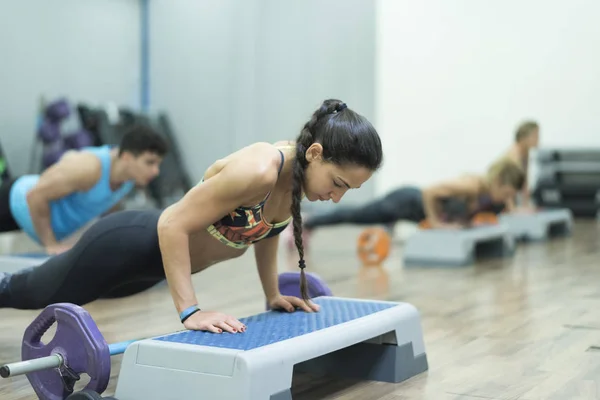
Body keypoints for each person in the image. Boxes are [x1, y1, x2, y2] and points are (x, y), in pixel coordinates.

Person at [0, 99, 384, 334]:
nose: (336, 198)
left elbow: (267, 232)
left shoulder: (296, 181)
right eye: (338, 183)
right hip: (124, 245)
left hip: (151, 268)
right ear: (315, 153)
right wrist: (191, 311)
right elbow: (171, 222)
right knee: (25, 292)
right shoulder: (260, 169)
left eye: (347, 190)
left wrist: (272, 294)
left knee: (56, 293)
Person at [0, 125, 168, 254]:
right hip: (14, 201)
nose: (156, 171)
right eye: (150, 162)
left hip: (31, 218)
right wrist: (51, 244)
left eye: (158, 164)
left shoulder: (128, 179)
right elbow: (35, 195)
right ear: (126, 157)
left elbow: (108, 208)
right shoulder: (88, 168)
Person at [300, 157, 525, 232]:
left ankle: (309, 217)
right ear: (498, 181)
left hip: (407, 208)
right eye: (507, 193)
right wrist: (435, 222)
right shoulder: (472, 186)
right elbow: (430, 192)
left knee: (358, 213)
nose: (506, 198)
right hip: (403, 202)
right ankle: (308, 221)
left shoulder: (485, 193)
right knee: (355, 215)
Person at [501, 120, 540, 212]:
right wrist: (512, 209)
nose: (538, 140)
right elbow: (506, 184)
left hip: (509, 198)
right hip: (500, 198)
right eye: (535, 136)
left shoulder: (525, 154)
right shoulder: (514, 154)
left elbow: (524, 183)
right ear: (524, 138)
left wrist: (526, 205)